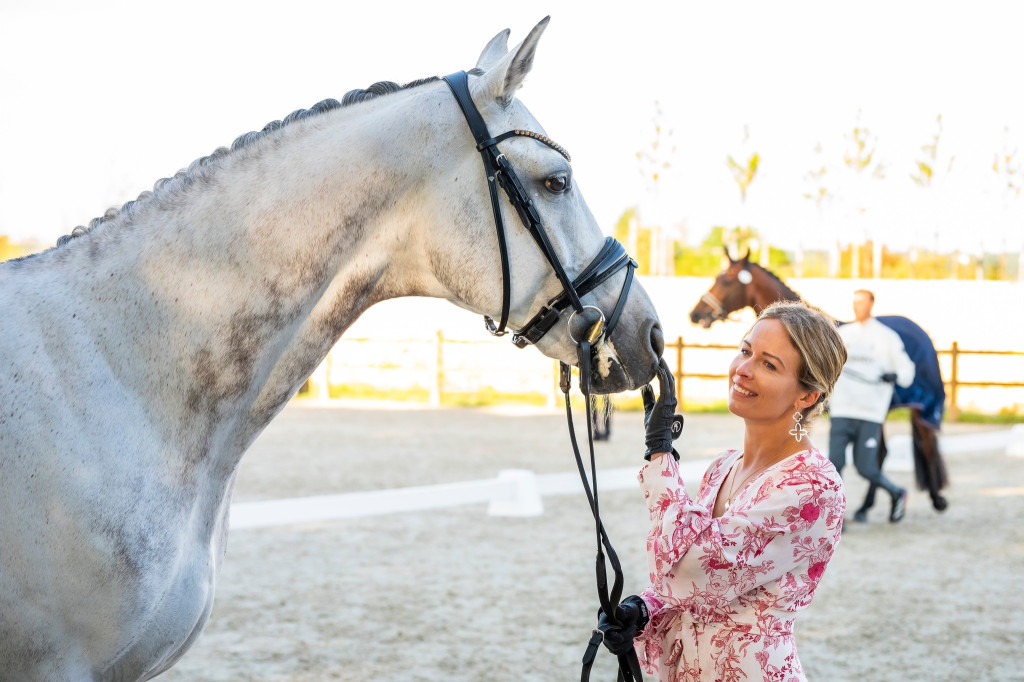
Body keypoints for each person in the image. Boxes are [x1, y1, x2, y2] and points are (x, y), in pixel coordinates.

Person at [597, 301, 848, 681]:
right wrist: (644, 610)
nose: (743, 370)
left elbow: (690, 573)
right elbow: (690, 590)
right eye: (746, 351)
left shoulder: (812, 487)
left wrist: (660, 452)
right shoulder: (723, 466)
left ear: (806, 396)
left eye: (769, 364)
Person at [829, 289, 916, 523]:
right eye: (854, 302)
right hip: (842, 411)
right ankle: (837, 518)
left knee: (866, 468)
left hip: (870, 414)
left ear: (871, 304)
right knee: (833, 465)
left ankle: (897, 493)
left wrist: (894, 374)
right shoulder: (842, 335)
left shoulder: (887, 337)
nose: (858, 307)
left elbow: (908, 370)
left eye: (862, 303)